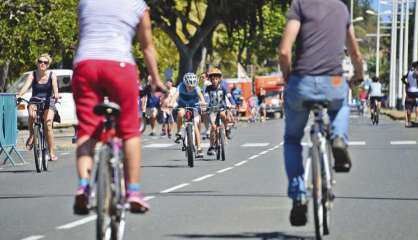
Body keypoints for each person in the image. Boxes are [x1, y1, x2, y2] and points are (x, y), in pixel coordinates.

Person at [72, 0, 166, 214]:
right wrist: (156, 80)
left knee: (87, 130)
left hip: (86, 65)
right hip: (119, 66)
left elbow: (82, 36)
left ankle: (84, 187)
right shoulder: (137, 4)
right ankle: (133, 191)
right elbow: (147, 46)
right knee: (130, 131)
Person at [279, 0, 363, 226]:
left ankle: (298, 196)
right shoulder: (341, 9)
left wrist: (288, 77)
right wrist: (359, 74)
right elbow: (355, 52)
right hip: (333, 81)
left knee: (292, 139)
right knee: (341, 104)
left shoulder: (299, 6)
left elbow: (285, 51)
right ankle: (338, 138)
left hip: (301, 82)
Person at [17, 53, 60, 161]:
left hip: (48, 101)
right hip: (35, 100)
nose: (42, 64)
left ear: (48, 65)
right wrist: (19, 95)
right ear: (37, 63)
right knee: (32, 115)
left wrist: (56, 95)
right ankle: (32, 135)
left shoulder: (52, 75)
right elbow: (25, 87)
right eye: (40, 61)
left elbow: (55, 86)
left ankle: (51, 152)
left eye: (45, 62)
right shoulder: (32, 74)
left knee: (48, 124)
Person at [171, 73, 206, 158]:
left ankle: (199, 148)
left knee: (196, 124)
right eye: (189, 86)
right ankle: (179, 132)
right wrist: (170, 103)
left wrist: (203, 104)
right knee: (179, 113)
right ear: (185, 84)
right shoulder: (180, 86)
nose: (191, 88)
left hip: (194, 106)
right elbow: (175, 96)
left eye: (192, 86)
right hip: (183, 106)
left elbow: (201, 97)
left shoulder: (197, 87)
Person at [402, 62, 418, 127]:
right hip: (416, 91)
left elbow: (402, 78)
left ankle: (409, 121)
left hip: (409, 92)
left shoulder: (409, 73)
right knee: (416, 105)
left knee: (409, 107)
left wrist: (406, 83)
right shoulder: (416, 72)